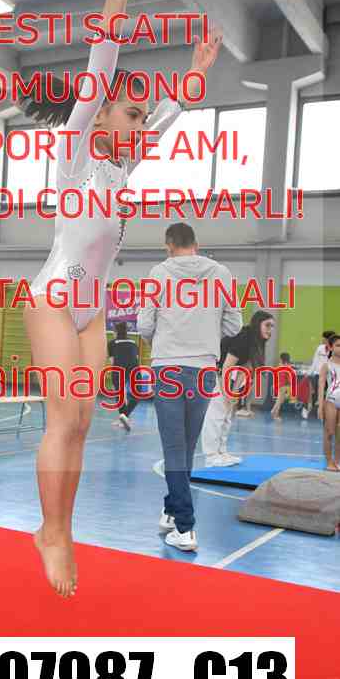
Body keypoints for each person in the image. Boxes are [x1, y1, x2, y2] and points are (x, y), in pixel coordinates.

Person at [21, 0, 223, 594]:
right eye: (130, 114)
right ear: (100, 110)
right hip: (55, 301)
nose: (139, 125)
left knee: (83, 424)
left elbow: (165, 120)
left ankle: (58, 529)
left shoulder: (120, 166)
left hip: (92, 314)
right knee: (63, 420)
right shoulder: (76, 151)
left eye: (139, 118)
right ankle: (54, 534)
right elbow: (100, 65)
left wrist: (195, 75)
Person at [137, 223, 242, 552]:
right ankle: (171, 510)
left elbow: (144, 324)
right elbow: (234, 324)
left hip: (168, 366)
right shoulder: (221, 273)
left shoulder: (158, 273)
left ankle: (185, 527)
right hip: (204, 369)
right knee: (186, 446)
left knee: (173, 447)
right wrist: (205, 333)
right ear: (196, 243)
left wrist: (164, 341)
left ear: (168, 245)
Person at [201, 311, 275, 467]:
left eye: (272, 326)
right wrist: (226, 393)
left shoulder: (257, 342)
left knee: (228, 413)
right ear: (257, 324)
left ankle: (221, 452)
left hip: (225, 372)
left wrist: (234, 393)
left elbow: (245, 368)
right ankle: (211, 456)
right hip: (212, 370)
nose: (270, 330)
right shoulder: (244, 337)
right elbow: (226, 366)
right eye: (267, 325)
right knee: (217, 413)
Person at [108, 322, 140, 431]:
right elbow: (136, 358)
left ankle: (123, 416)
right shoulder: (134, 343)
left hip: (119, 368)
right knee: (137, 394)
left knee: (120, 394)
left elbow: (112, 361)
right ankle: (125, 416)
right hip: (134, 368)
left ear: (116, 332)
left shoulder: (112, 343)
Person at [318, 334, 340, 471]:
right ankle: (329, 462)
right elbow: (321, 386)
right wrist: (320, 406)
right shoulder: (326, 365)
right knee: (330, 432)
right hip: (331, 401)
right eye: (338, 345)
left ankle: (337, 461)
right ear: (331, 347)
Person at [304, 330, 336, 418]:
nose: (322, 340)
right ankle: (307, 409)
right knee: (313, 393)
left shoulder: (335, 350)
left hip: (330, 376)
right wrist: (309, 372)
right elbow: (315, 361)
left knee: (329, 395)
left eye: (324, 338)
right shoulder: (320, 348)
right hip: (318, 374)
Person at [270, 352, 297, 421]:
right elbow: (288, 377)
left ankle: (273, 410)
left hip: (278, 384)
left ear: (281, 359)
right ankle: (275, 414)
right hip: (283, 385)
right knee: (279, 401)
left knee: (280, 400)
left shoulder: (280, 365)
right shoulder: (287, 366)